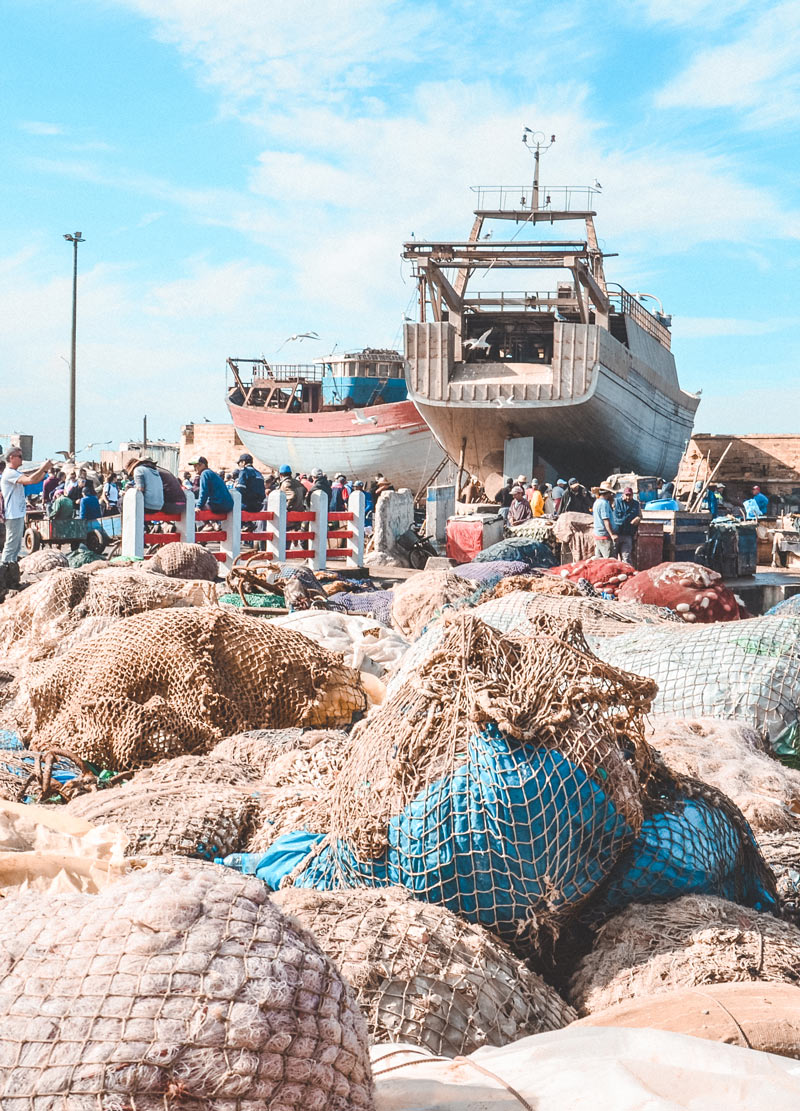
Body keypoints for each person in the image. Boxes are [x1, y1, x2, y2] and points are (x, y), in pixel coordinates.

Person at [0, 448, 52, 564]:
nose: (21, 459)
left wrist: (44, 471)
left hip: (17, 513)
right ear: (11, 458)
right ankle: (4, 571)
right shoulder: (10, 473)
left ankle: (10, 572)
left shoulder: (15, 472)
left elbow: (34, 480)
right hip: (12, 513)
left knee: (16, 546)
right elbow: (30, 480)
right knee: (11, 545)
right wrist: (43, 468)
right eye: (19, 456)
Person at [612, 486, 641, 564]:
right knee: (613, 559)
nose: (628, 497)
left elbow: (639, 516)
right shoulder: (616, 502)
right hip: (616, 534)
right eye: (626, 495)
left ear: (632, 495)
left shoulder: (636, 504)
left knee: (626, 558)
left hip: (628, 535)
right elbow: (613, 517)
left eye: (630, 495)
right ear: (623, 495)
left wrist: (638, 518)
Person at [592, 485, 617, 558]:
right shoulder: (604, 503)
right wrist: (612, 534)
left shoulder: (596, 502)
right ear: (607, 493)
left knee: (599, 560)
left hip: (598, 535)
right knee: (609, 561)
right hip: (604, 537)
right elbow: (606, 520)